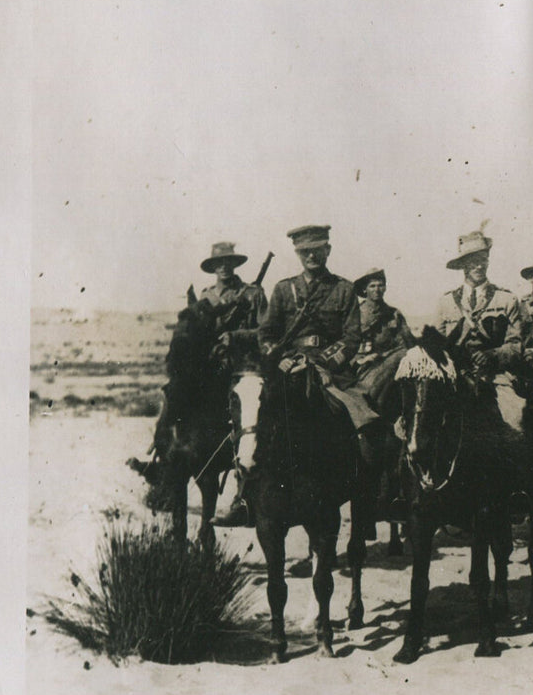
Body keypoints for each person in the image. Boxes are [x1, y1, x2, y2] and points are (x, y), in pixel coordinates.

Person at [214, 224, 372, 526]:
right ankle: (242, 499)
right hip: (286, 369)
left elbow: (352, 337)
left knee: (364, 421)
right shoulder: (284, 289)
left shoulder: (343, 289)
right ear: (298, 254)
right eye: (305, 252)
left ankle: (363, 491)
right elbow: (267, 334)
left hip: (329, 372)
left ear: (327, 250)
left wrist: (320, 362)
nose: (312, 256)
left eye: (317, 250)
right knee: (253, 422)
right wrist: (282, 359)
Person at [131, 240, 268, 484]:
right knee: (173, 393)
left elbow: (266, 331)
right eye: (218, 263)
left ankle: (251, 467)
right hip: (210, 366)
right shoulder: (206, 296)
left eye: (228, 262)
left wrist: (236, 337)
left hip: (242, 366)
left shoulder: (253, 294)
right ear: (213, 267)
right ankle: (161, 457)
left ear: (234, 264)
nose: (223, 267)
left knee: (249, 410)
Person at [434, 226, 526, 430]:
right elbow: (436, 348)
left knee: (516, 417)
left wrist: (493, 355)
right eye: (473, 261)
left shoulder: (507, 299)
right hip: (455, 377)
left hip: (495, 377)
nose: (479, 266)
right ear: (463, 265)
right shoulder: (445, 302)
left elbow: (516, 345)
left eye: (483, 260)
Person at [351, 267, 414, 405]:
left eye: (380, 285)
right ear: (364, 289)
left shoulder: (394, 314)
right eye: (372, 286)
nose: (377, 289)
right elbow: (346, 341)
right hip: (361, 364)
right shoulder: (355, 313)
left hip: (388, 362)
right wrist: (361, 359)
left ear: (385, 288)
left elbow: (407, 343)